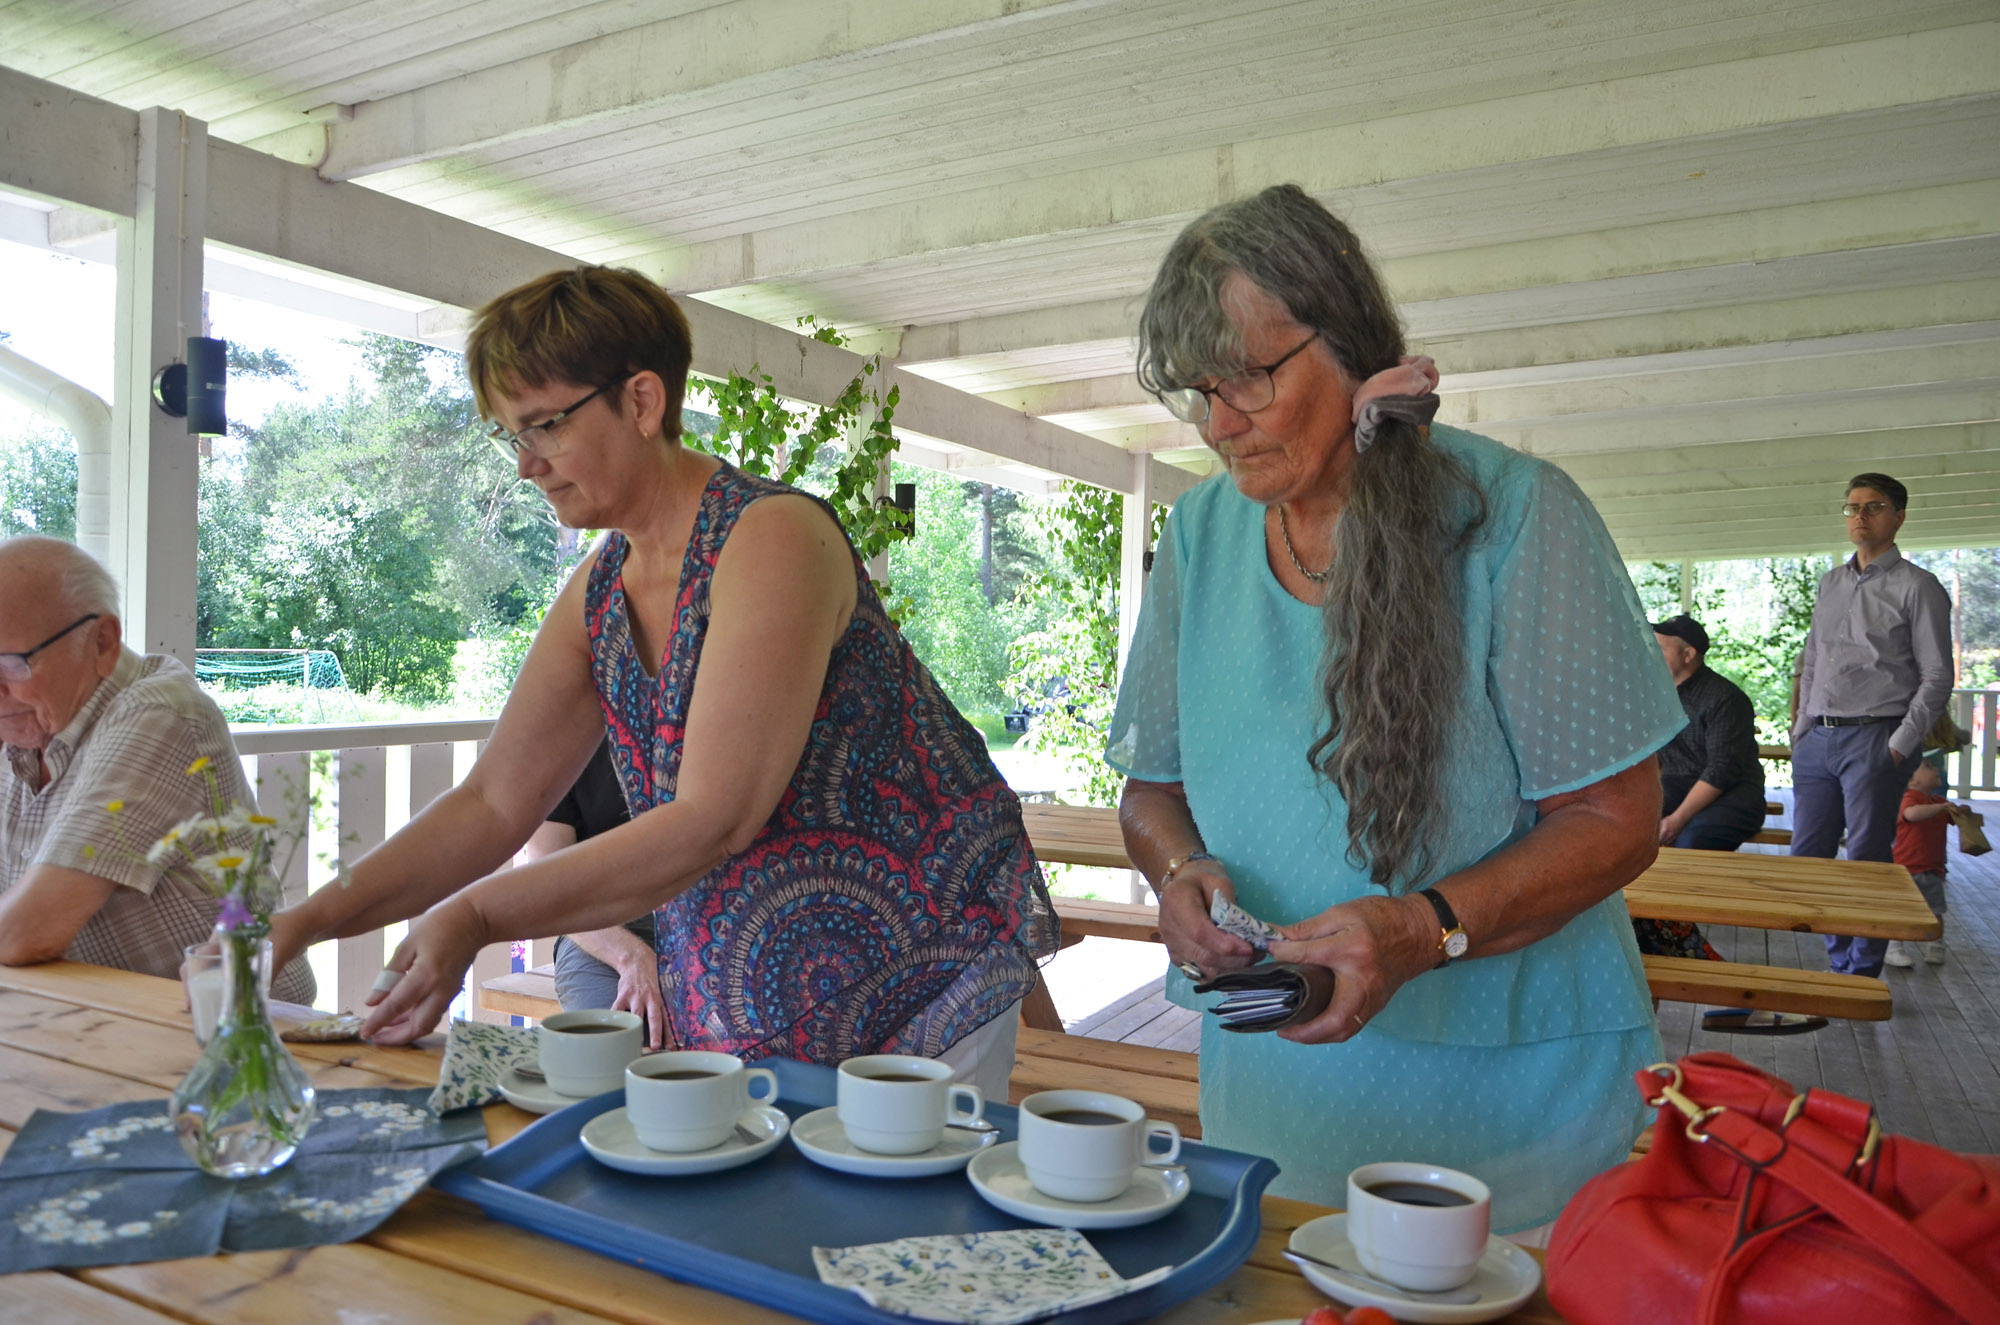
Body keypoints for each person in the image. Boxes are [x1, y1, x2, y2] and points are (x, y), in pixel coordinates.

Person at [269, 266, 1055, 1098]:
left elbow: (715, 818)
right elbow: (494, 802)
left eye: (544, 427)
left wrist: (479, 913)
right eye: (511, 436)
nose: (527, 465)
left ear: (642, 402)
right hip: (749, 998)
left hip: (920, 983)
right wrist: (302, 923)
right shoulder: (600, 589)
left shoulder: (773, 537)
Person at [1110, 185, 1683, 1236]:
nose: (1219, 422)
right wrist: (1178, 870)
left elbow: (1615, 820)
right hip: (1277, 1086)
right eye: (1197, 389)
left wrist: (1423, 929)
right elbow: (1152, 789)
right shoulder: (1198, 536)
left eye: (1248, 375)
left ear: (1347, 345)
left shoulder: (1512, 514)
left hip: (1517, 1108)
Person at [0, 536, 315, 1002]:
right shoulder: (31, 725)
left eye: (12, 664)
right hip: (97, 1016)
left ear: (102, 642)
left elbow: (27, 931)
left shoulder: (160, 714)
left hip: (232, 1025)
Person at [1790, 473, 1953, 978]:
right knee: (1808, 857)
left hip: (1875, 736)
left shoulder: (1918, 586)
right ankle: (1836, 959)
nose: (1860, 516)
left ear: (1898, 517)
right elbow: (1813, 659)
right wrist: (1801, 728)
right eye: (1852, 507)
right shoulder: (1831, 583)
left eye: (1874, 506)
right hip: (1818, 737)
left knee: (1866, 858)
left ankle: (1860, 972)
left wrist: (1900, 744)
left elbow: (1937, 675)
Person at [1631, 614, 1764, 962]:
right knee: (1629, 827)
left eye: (1660, 648)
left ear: (1688, 654)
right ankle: (1639, 926)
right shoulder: (1657, 694)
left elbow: (1721, 771)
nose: (1650, 654)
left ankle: (1680, 939)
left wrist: (1675, 821)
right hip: (1678, 784)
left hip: (1735, 794)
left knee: (1691, 839)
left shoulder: (1726, 698)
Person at [520, 736, 664, 1043]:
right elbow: (550, 885)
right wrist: (631, 958)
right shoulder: (560, 744)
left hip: (707, 919)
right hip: (601, 931)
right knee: (613, 1042)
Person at [1886, 756, 1954, 968]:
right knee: (1901, 910)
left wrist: (1961, 812)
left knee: (1935, 910)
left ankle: (1935, 944)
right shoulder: (1907, 798)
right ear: (1912, 780)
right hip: (1905, 868)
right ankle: (1893, 947)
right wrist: (1942, 808)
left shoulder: (1937, 801)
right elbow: (1911, 814)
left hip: (1932, 868)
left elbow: (1956, 818)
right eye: (1928, 766)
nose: (1936, 769)